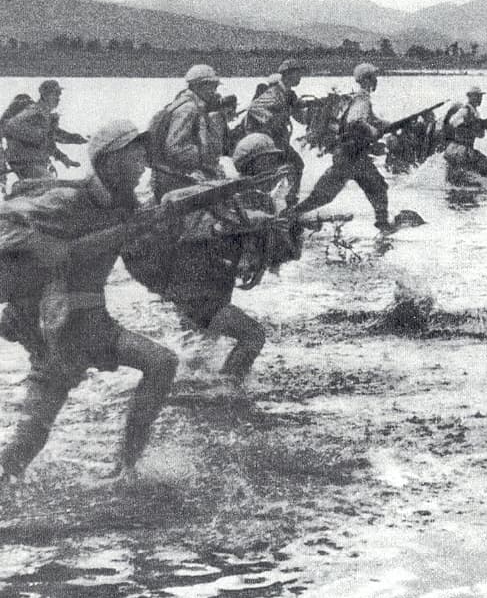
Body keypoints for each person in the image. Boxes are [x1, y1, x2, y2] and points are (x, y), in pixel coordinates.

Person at [0, 120, 178, 483]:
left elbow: (138, 258)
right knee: (33, 435)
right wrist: (46, 248)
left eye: (142, 155)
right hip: (57, 325)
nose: (142, 163)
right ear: (108, 160)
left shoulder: (124, 205)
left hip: (90, 320)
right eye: (133, 154)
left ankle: (124, 468)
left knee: (161, 363)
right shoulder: (69, 199)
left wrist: (160, 226)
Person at [126, 133, 298, 390]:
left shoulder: (259, 200)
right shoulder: (218, 194)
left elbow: (270, 254)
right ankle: (225, 392)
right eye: (267, 162)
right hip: (196, 287)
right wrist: (247, 221)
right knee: (252, 336)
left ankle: (195, 394)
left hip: (212, 285)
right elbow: (202, 228)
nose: (273, 168)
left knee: (197, 353)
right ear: (251, 165)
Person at [288, 62, 394, 231]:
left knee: (376, 187)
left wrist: (392, 125)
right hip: (350, 156)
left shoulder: (357, 98)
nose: (376, 80)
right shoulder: (362, 98)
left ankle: (383, 224)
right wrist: (373, 131)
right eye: (374, 77)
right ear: (367, 79)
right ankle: (289, 218)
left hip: (350, 155)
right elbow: (355, 121)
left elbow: (372, 119)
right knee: (325, 195)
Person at [149, 64, 226, 202]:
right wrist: (204, 158)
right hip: (176, 179)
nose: (214, 91)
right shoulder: (188, 108)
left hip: (172, 176)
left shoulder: (186, 104)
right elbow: (174, 148)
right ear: (198, 86)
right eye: (211, 87)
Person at [243, 58, 309, 207]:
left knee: (296, 166)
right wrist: (273, 123)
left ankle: (289, 202)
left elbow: (301, 119)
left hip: (276, 141)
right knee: (289, 167)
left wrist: (313, 110)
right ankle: (284, 203)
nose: (300, 78)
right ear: (287, 75)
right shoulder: (274, 92)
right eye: (297, 74)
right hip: (266, 142)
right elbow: (254, 108)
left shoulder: (289, 94)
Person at [2, 80, 86, 181]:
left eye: (59, 94)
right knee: (50, 185)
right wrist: (38, 135)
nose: (58, 98)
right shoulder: (34, 110)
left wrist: (64, 158)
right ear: (45, 96)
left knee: (48, 186)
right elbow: (10, 126)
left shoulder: (46, 116)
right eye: (55, 94)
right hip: (24, 161)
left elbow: (50, 142)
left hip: (35, 161)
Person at [443, 86, 487, 183]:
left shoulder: (476, 113)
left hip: (467, 149)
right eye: (477, 96)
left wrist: (484, 126)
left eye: (480, 96)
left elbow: (480, 135)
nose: (480, 99)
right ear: (470, 97)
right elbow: (452, 122)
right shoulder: (465, 110)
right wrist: (467, 124)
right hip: (459, 148)